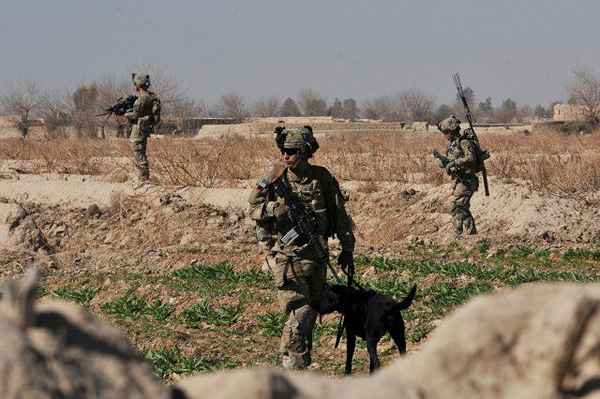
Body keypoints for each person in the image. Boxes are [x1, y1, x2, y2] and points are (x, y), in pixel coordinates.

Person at [248, 127, 355, 370]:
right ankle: (296, 366)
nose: (286, 156)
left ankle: (292, 361)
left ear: (305, 152)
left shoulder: (321, 177)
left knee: (312, 308)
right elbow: (253, 209)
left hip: (316, 256)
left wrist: (347, 249)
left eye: (292, 151)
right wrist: (274, 209)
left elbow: (339, 215)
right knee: (300, 310)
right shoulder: (275, 177)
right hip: (288, 257)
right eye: (283, 151)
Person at [436, 115, 479, 236]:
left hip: (467, 180)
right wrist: (444, 162)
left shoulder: (464, 142)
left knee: (457, 207)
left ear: (452, 131)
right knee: (461, 207)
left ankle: (458, 233)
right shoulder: (451, 145)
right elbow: (446, 161)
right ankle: (471, 234)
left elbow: (471, 158)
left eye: (446, 132)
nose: (444, 135)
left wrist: (456, 162)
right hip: (457, 181)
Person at [125, 73, 161, 183]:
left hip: (139, 129)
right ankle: (143, 177)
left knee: (138, 152)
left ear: (138, 84)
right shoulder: (151, 96)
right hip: (144, 129)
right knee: (140, 151)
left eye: (135, 83)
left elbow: (135, 115)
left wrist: (125, 114)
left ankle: (143, 178)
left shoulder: (143, 98)